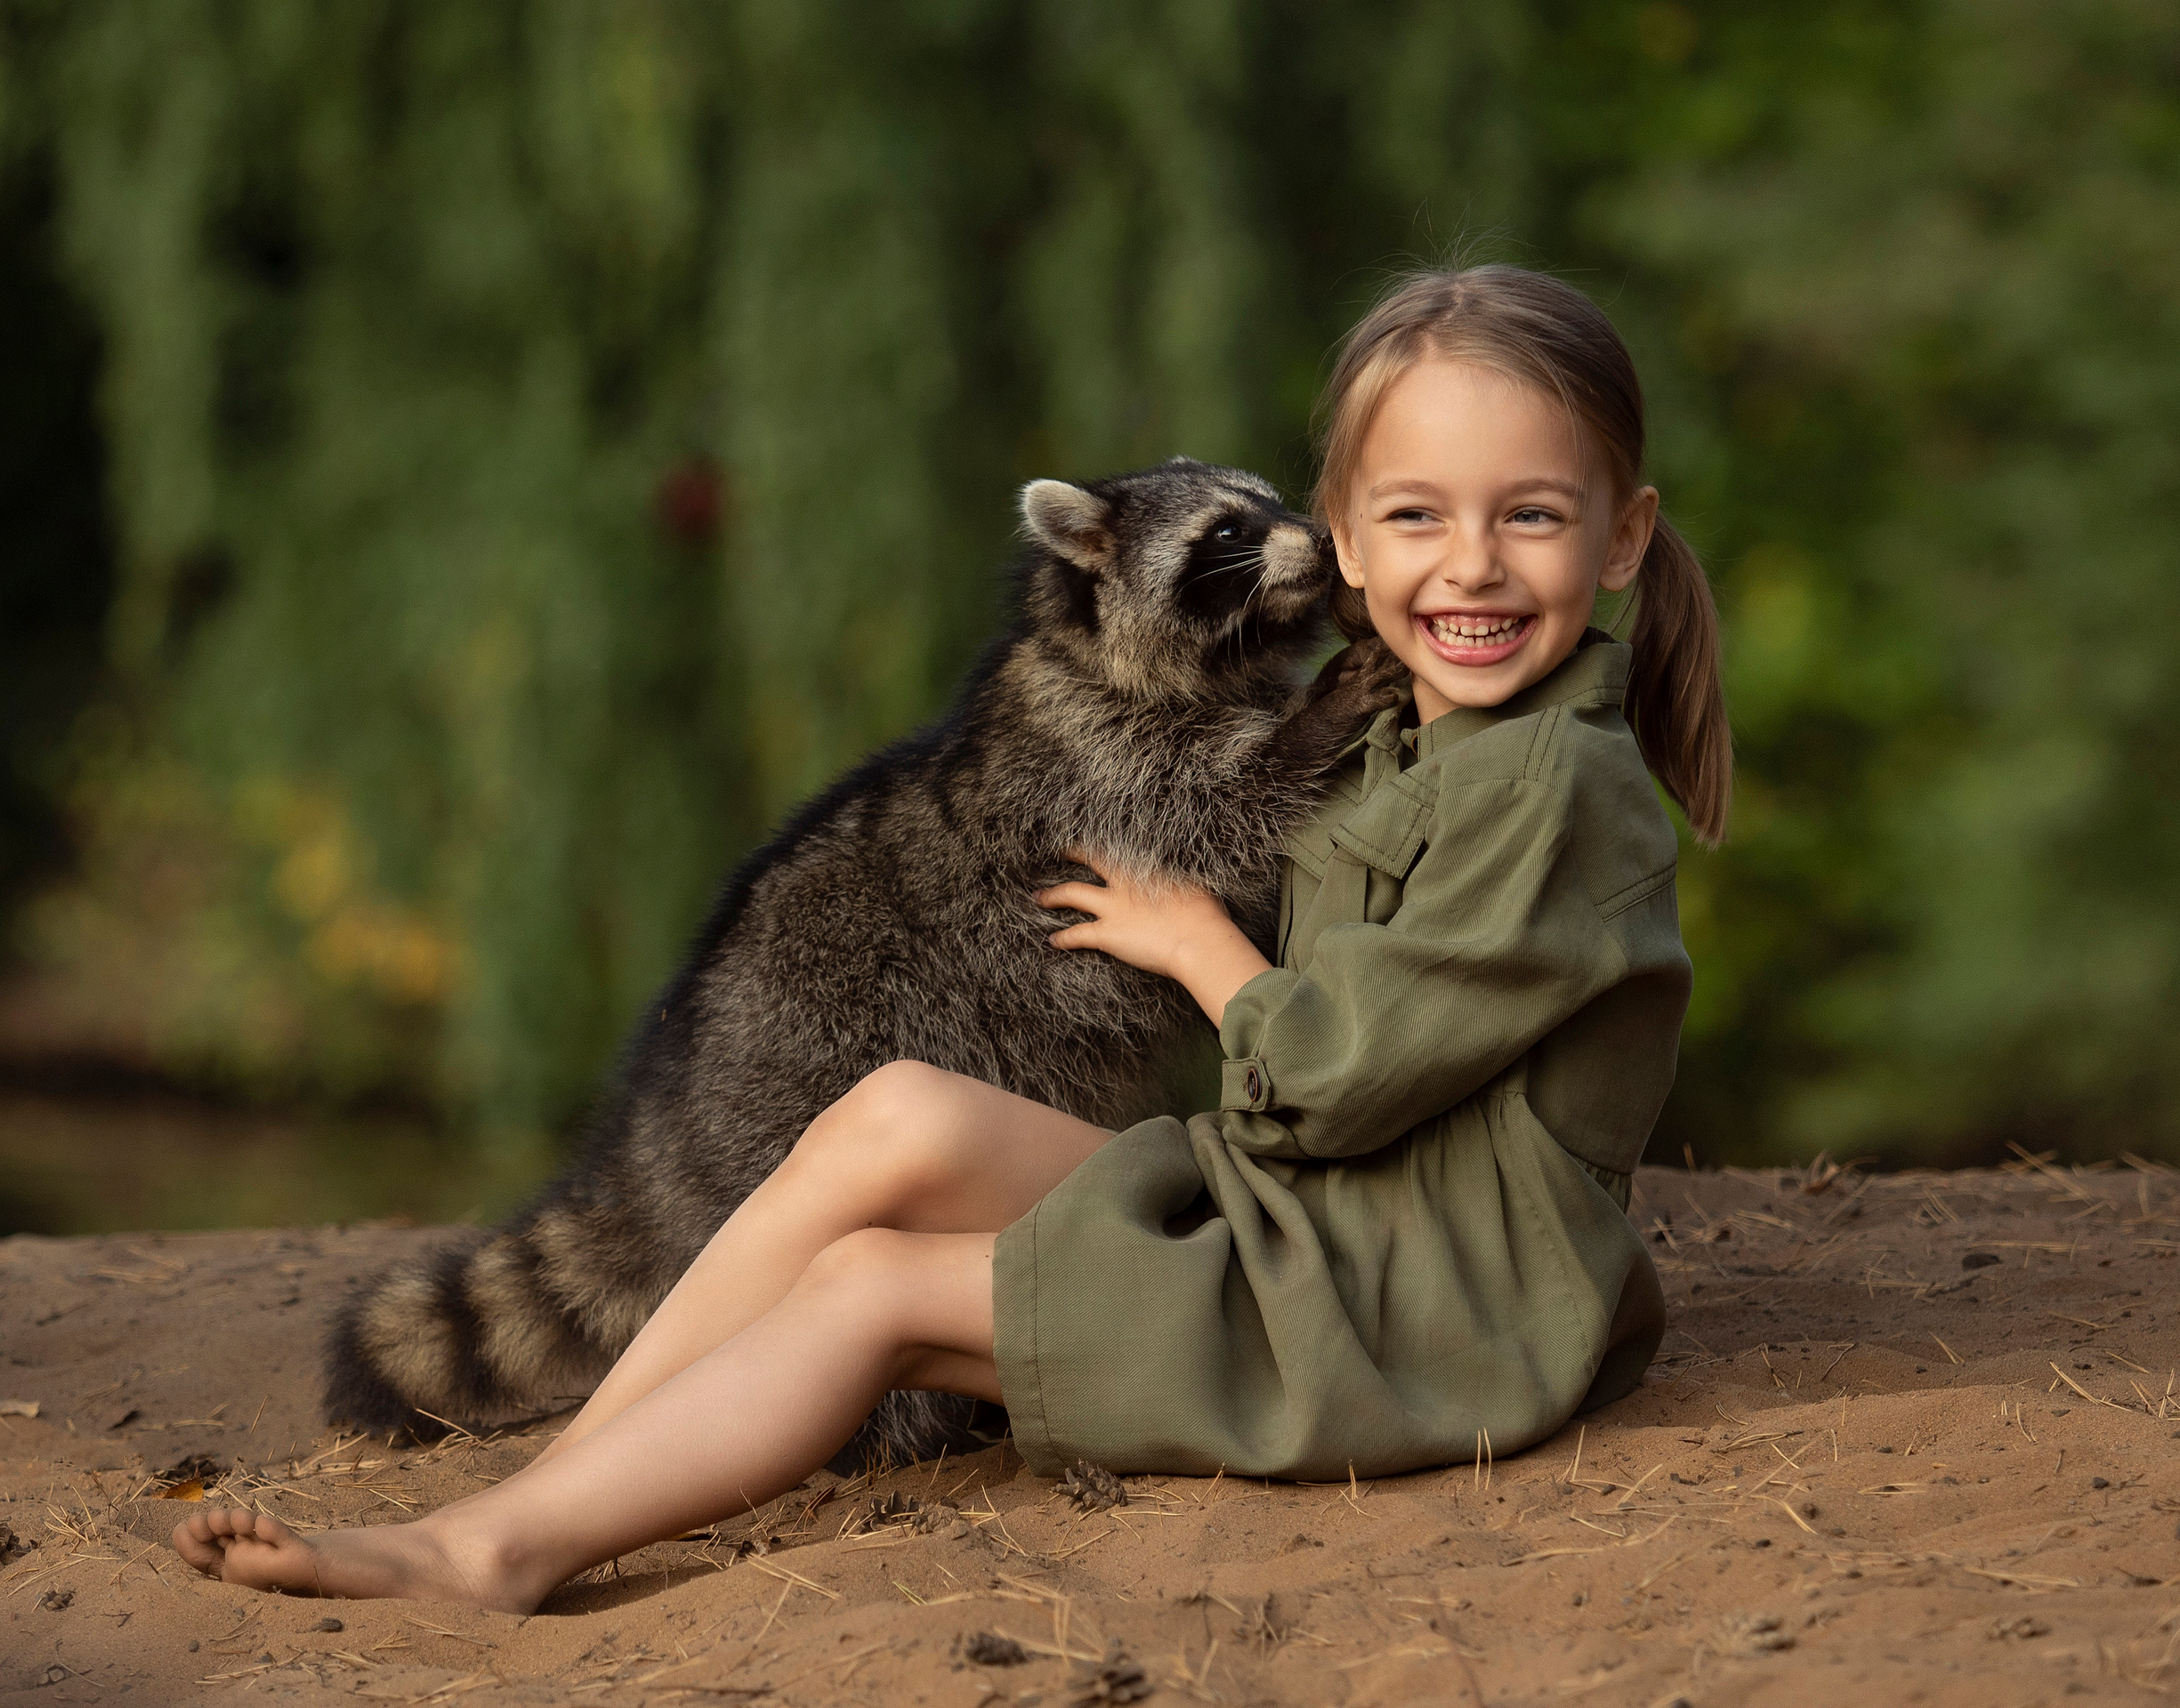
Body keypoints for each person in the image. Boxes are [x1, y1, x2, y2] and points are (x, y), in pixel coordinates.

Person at [173, 264, 1730, 1612]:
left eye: (1526, 517)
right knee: (890, 1120)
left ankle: (494, 1556)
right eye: (1416, 518)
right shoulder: (1426, 723)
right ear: (1351, 544)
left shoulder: (1549, 790)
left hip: (1410, 1319)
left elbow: (1330, 1075)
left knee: (867, 1288)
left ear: (1617, 540)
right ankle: (547, 1493)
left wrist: (1190, 939)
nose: (1467, 564)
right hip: (1327, 1227)